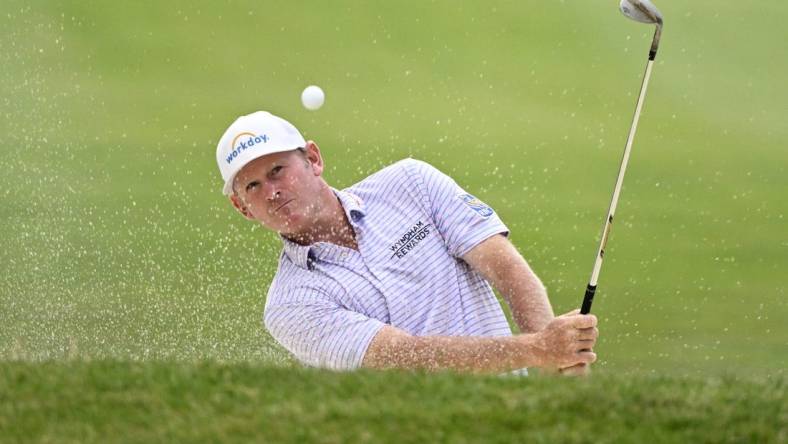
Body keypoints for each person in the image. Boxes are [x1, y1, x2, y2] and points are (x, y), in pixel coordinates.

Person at [216, 111, 598, 375]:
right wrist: (538, 349)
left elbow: (506, 269)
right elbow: (406, 358)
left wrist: (558, 366)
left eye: (277, 171)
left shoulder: (410, 184)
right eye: (253, 186)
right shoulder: (290, 305)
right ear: (242, 208)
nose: (272, 192)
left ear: (313, 159)